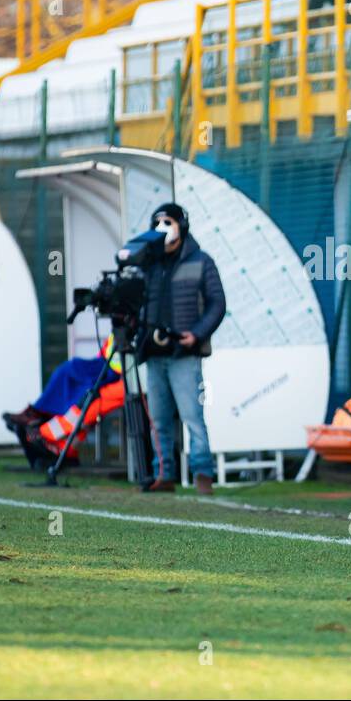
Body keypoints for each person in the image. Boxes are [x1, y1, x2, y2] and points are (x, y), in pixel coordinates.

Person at [136, 203, 226, 495]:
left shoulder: (201, 261)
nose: (163, 226)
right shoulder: (149, 263)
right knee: (158, 420)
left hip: (184, 354)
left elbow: (217, 303)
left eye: (168, 221)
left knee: (192, 418)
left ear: (181, 225)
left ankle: (203, 476)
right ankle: (163, 474)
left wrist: (196, 334)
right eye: (157, 222)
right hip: (154, 353)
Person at [3, 333, 123, 432]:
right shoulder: (122, 316)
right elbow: (109, 346)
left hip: (121, 373)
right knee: (67, 369)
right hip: (104, 363)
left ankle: (45, 432)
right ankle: (38, 413)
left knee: (86, 396)